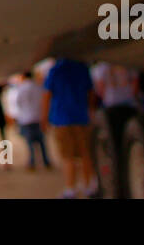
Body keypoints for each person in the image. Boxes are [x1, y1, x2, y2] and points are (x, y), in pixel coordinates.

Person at [43, 58, 97, 198]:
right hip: (81, 117)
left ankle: (70, 188)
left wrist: (44, 118)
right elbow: (90, 92)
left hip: (61, 119)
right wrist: (90, 109)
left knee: (67, 157)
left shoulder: (55, 70)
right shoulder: (82, 67)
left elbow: (47, 95)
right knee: (86, 154)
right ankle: (89, 185)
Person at [13, 71, 51, 171]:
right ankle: (46, 161)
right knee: (41, 142)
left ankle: (32, 162)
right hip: (37, 116)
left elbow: (18, 102)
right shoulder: (37, 87)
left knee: (30, 143)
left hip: (26, 118)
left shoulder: (22, 88)